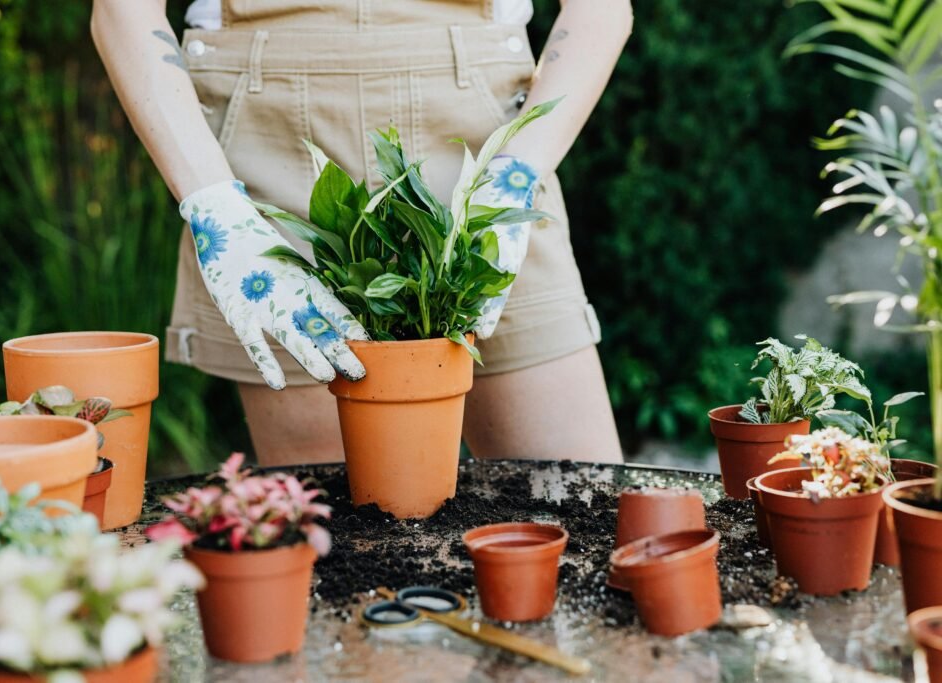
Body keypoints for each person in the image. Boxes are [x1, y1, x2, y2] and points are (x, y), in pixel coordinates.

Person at [91, 0, 633, 467]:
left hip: (481, 150)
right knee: (343, 543)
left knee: (582, 511)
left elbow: (600, 9)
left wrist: (518, 172)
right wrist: (215, 208)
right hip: (274, 147)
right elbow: (123, 11)